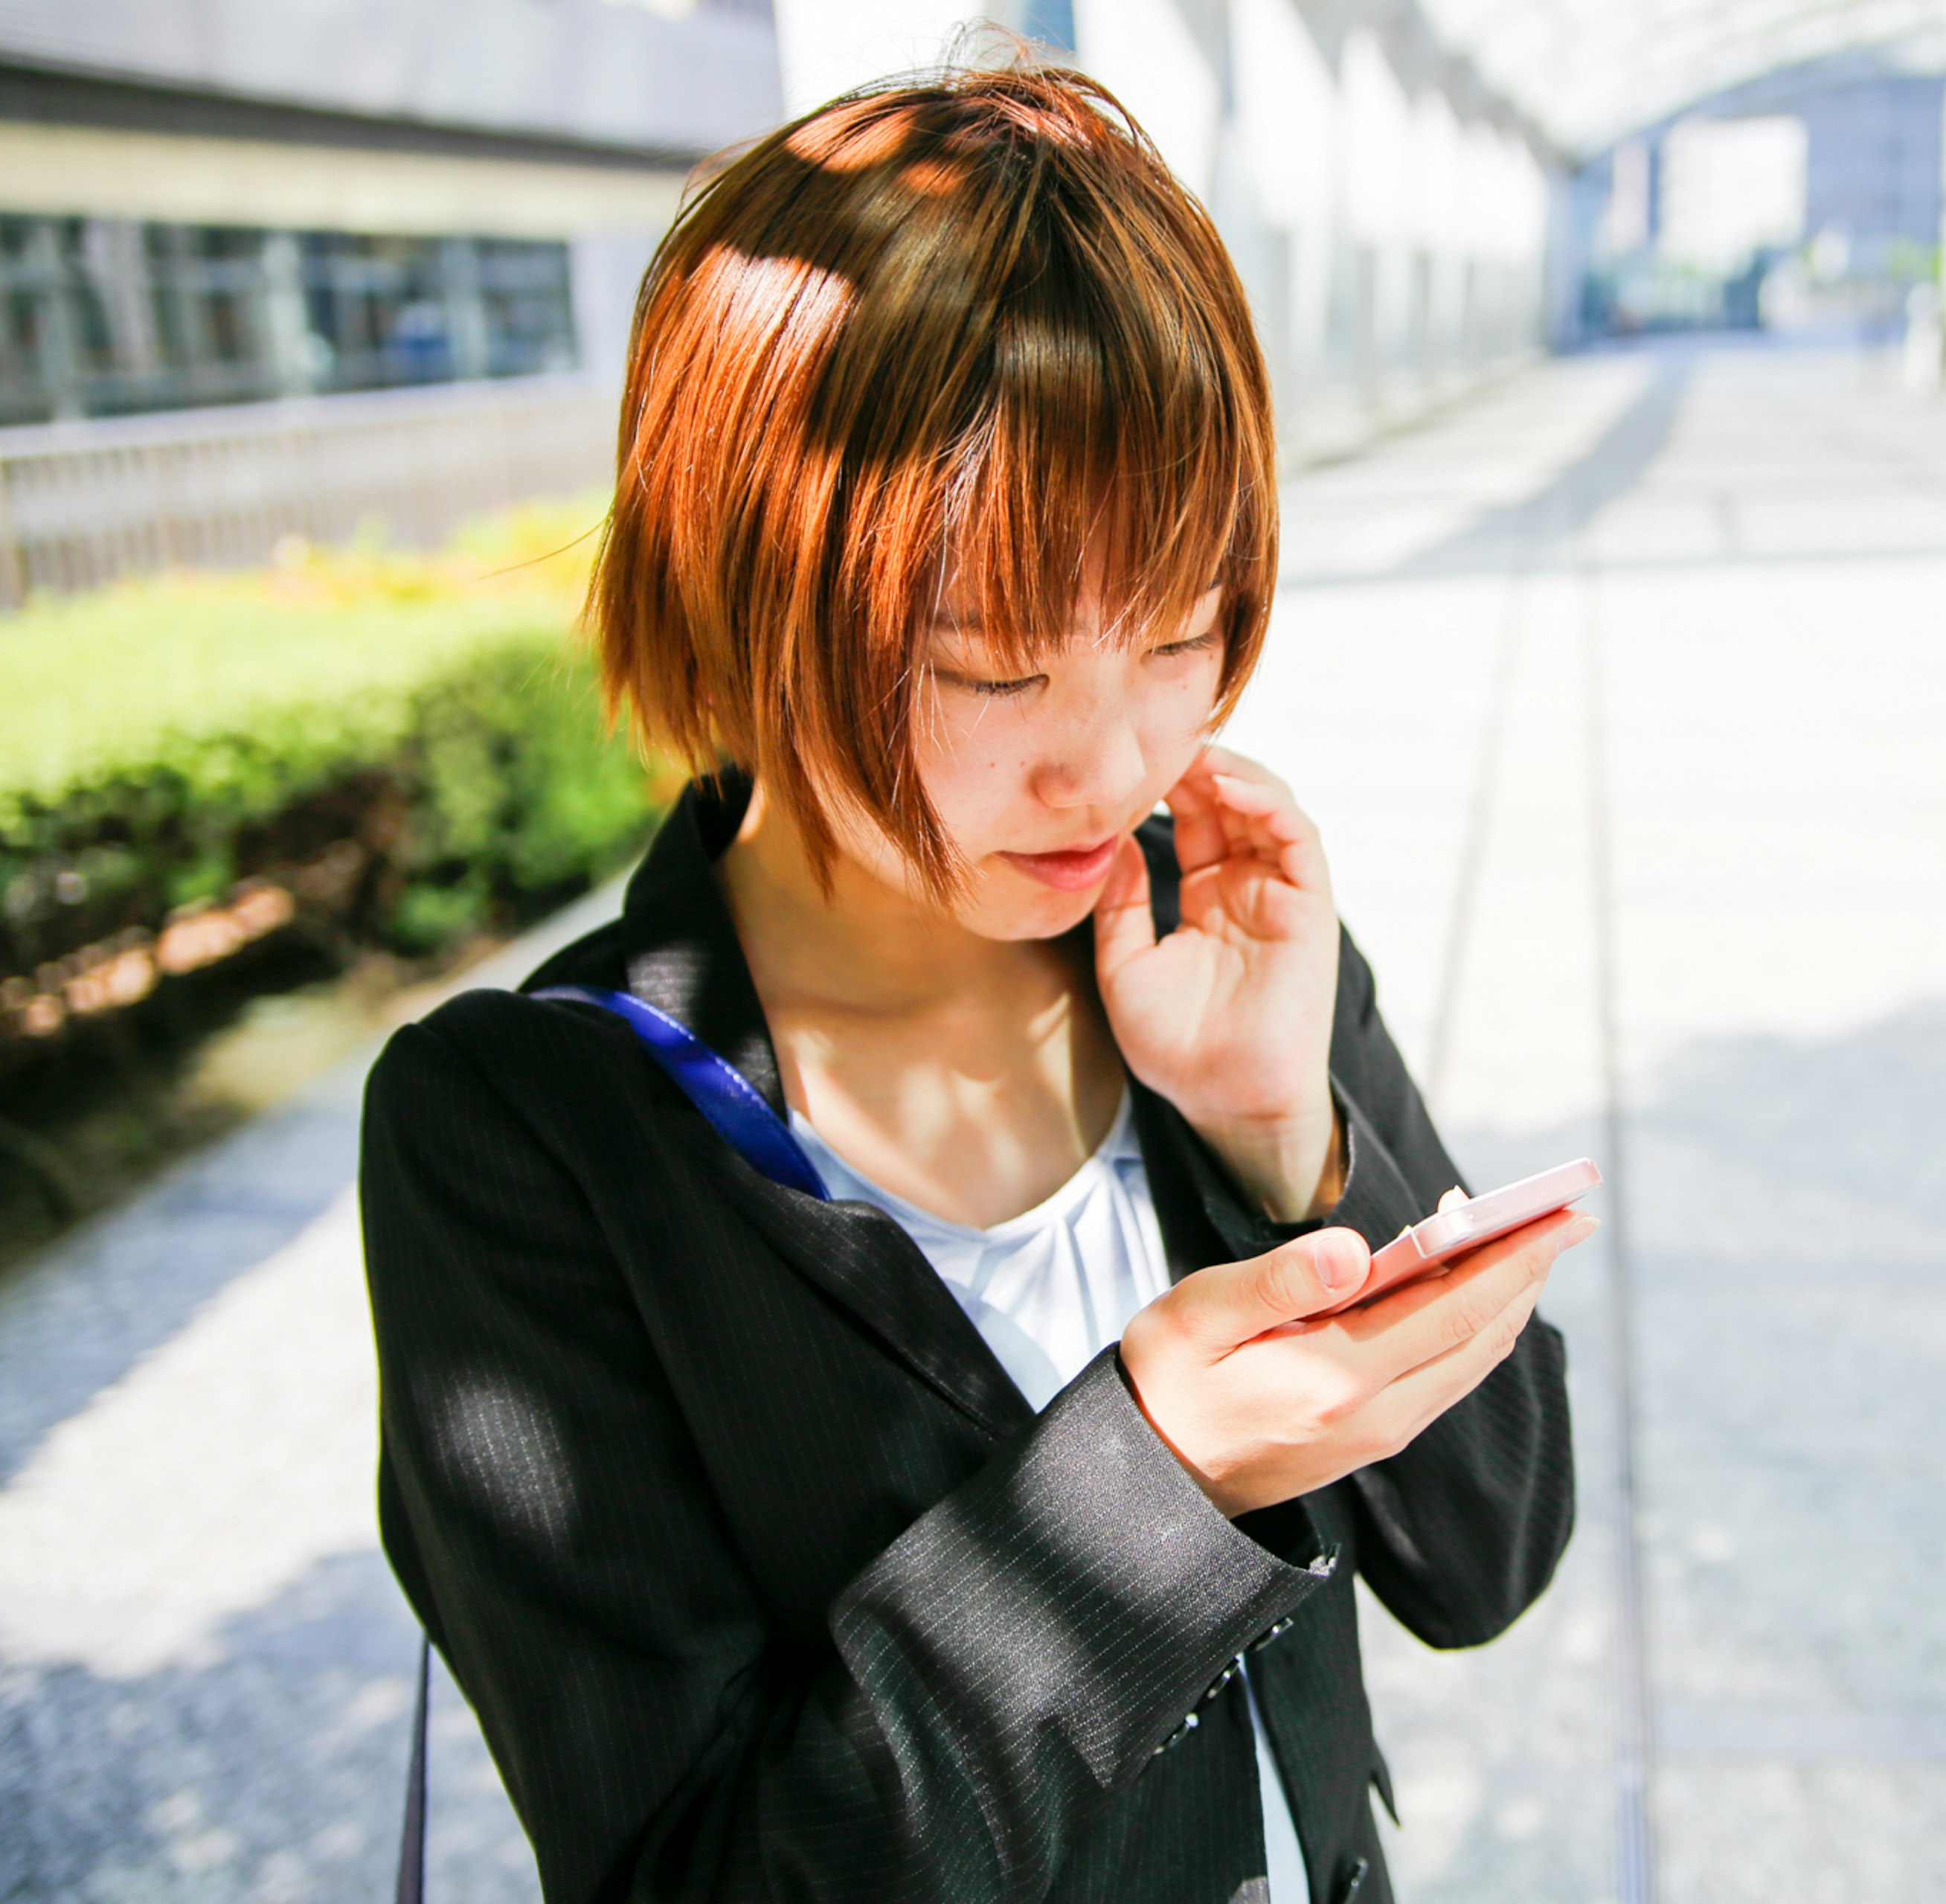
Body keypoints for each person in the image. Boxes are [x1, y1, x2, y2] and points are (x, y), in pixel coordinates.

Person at [359, 61, 1584, 1904]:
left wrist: (1286, 1125)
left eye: (1184, 634)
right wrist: (1149, 1480)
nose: (1112, 765)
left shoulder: (1202, 935)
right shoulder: (537, 1135)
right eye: (996, 670)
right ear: (742, 588)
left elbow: (1487, 1553)